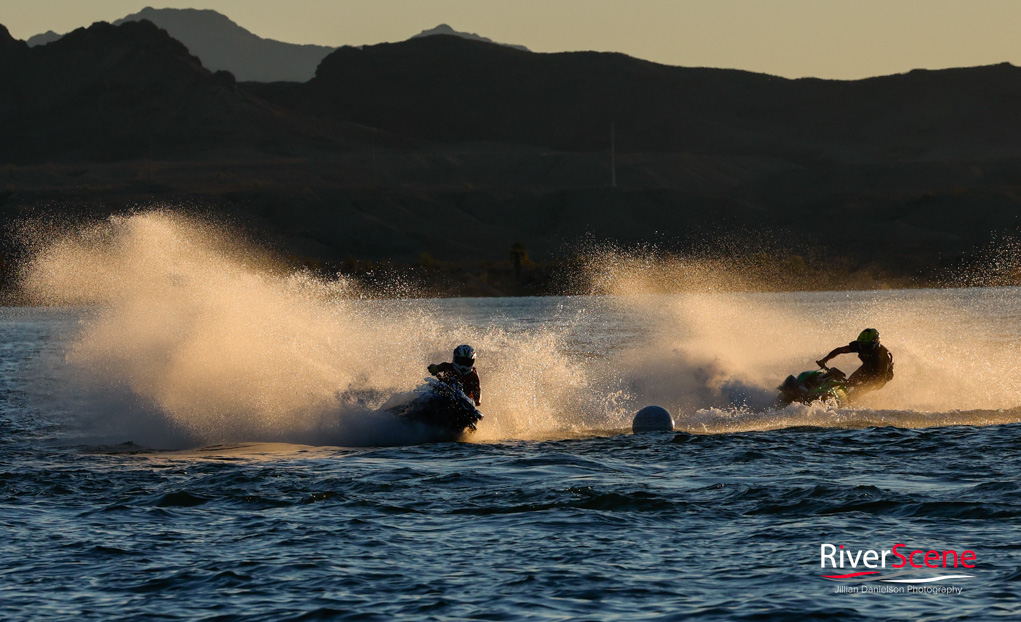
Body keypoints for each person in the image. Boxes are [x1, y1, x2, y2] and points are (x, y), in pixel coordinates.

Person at [816, 328, 894, 395]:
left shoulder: (883, 356)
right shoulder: (859, 345)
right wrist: (825, 360)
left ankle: (850, 404)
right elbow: (839, 350)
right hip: (866, 368)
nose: (864, 348)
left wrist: (862, 385)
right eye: (862, 345)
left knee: (858, 391)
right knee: (848, 384)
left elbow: (879, 380)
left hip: (881, 376)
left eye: (867, 346)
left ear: (876, 343)